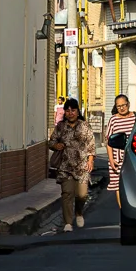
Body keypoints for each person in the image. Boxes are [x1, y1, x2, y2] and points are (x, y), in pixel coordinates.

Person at [46, 97, 97, 230]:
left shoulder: (85, 126)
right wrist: (56, 145)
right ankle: (68, 222)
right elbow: (51, 142)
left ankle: (79, 212)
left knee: (82, 194)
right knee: (67, 193)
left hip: (82, 166)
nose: (70, 113)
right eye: (67, 110)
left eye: (73, 110)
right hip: (65, 166)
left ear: (78, 111)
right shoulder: (61, 127)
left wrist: (90, 160)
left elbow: (91, 144)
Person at [103, 94, 136, 197]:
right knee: (118, 187)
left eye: (124, 105)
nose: (121, 108)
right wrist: (111, 159)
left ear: (129, 104)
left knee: (133, 185)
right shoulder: (113, 120)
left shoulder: (135, 118)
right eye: (118, 106)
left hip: (133, 158)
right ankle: (122, 211)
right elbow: (109, 141)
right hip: (117, 159)